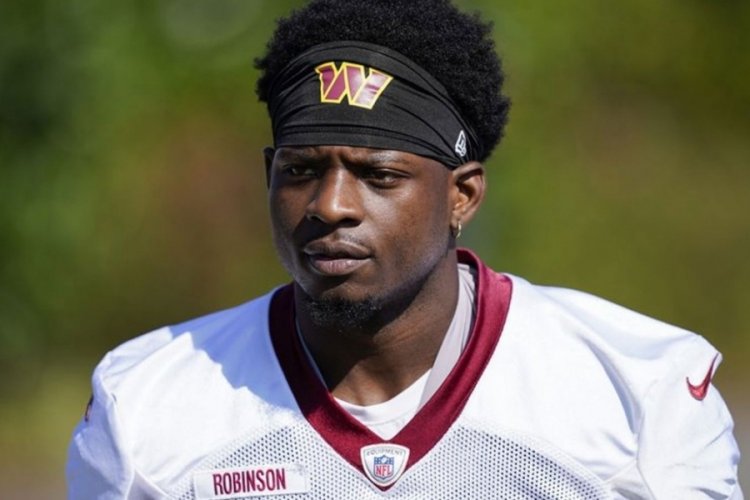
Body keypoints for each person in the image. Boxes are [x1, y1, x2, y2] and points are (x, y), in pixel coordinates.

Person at [67, 0, 742, 498]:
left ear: (462, 195)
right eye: (301, 170)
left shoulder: (638, 391)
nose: (330, 204)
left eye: (379, 175)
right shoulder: (147, 404)